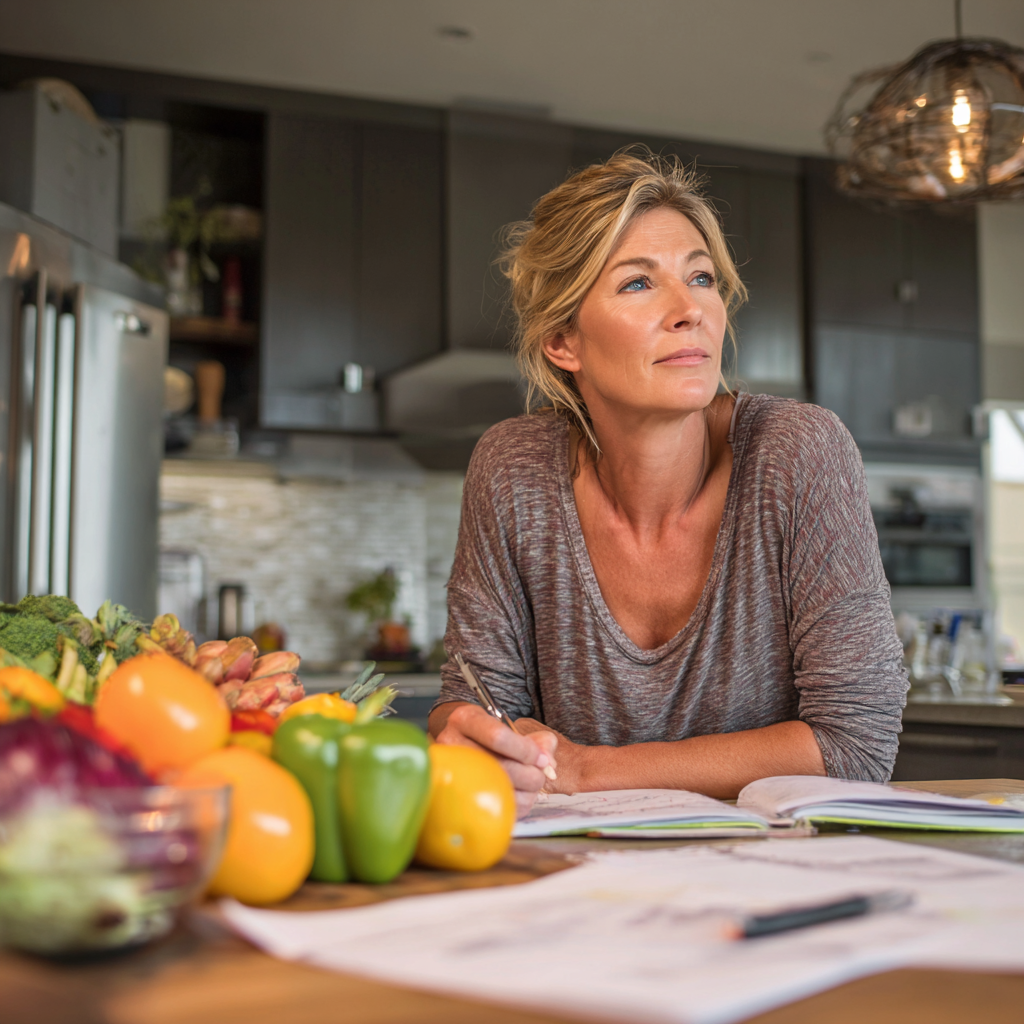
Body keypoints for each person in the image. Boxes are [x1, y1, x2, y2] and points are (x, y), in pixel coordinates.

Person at [428, 148, 908, 817]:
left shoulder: (798, 452)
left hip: (776, 881)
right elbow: (477, 700)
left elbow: (857, 742)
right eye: (637, 284)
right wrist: (477, 734)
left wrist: (590, 770)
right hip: (581, 883)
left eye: (703, 277)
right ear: (563, 342)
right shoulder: (512, 470)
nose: (692, 311)